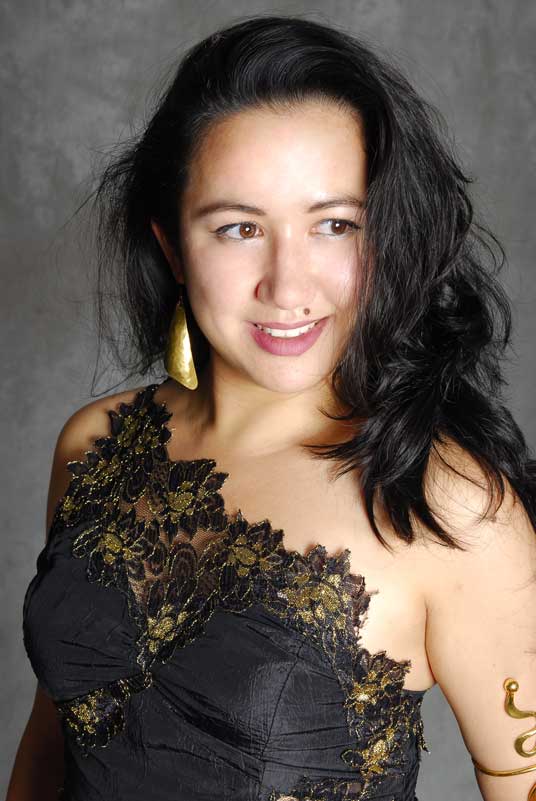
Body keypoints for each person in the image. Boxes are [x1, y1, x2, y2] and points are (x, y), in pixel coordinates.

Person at [8, 13, 536, 801]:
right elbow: (52, 738)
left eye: (334, 224)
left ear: (384, 237)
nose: (288, 285)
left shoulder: (449, 505)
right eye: (239, 228)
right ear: (171, 244)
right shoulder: (92, 446)